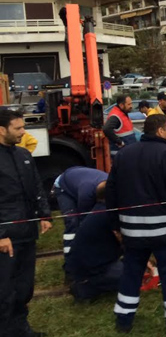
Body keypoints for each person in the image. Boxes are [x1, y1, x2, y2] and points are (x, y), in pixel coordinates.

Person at [106, 114, 166, 335]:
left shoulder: (123, 155)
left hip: (131, 230)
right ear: (159, 131)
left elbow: (111, 193)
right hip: (164, 232)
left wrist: (115, 225)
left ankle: (123, 320)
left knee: (131, 273)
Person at [0, 109, 52, 337]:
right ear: (2, 130)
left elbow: (36, 186)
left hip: (27, 231)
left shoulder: (23, 155)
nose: (24, 132)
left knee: (24, 287)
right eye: (18, 128)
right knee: (5, 290)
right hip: (6, 237)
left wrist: (44, 214)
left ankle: (20, 329)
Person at [52, 167, 108, 277]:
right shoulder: (86, 193)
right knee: (73, 223)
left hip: (78, 179)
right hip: (63, 187)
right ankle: (70, 266)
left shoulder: (112, 184)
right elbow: (85, 222)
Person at [67, 203, 123, 303]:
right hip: (91, 267)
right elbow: (123, 240)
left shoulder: (102, 209)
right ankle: (84, 288)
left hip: (93, 261)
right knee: (131, 275)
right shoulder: (110, 214)